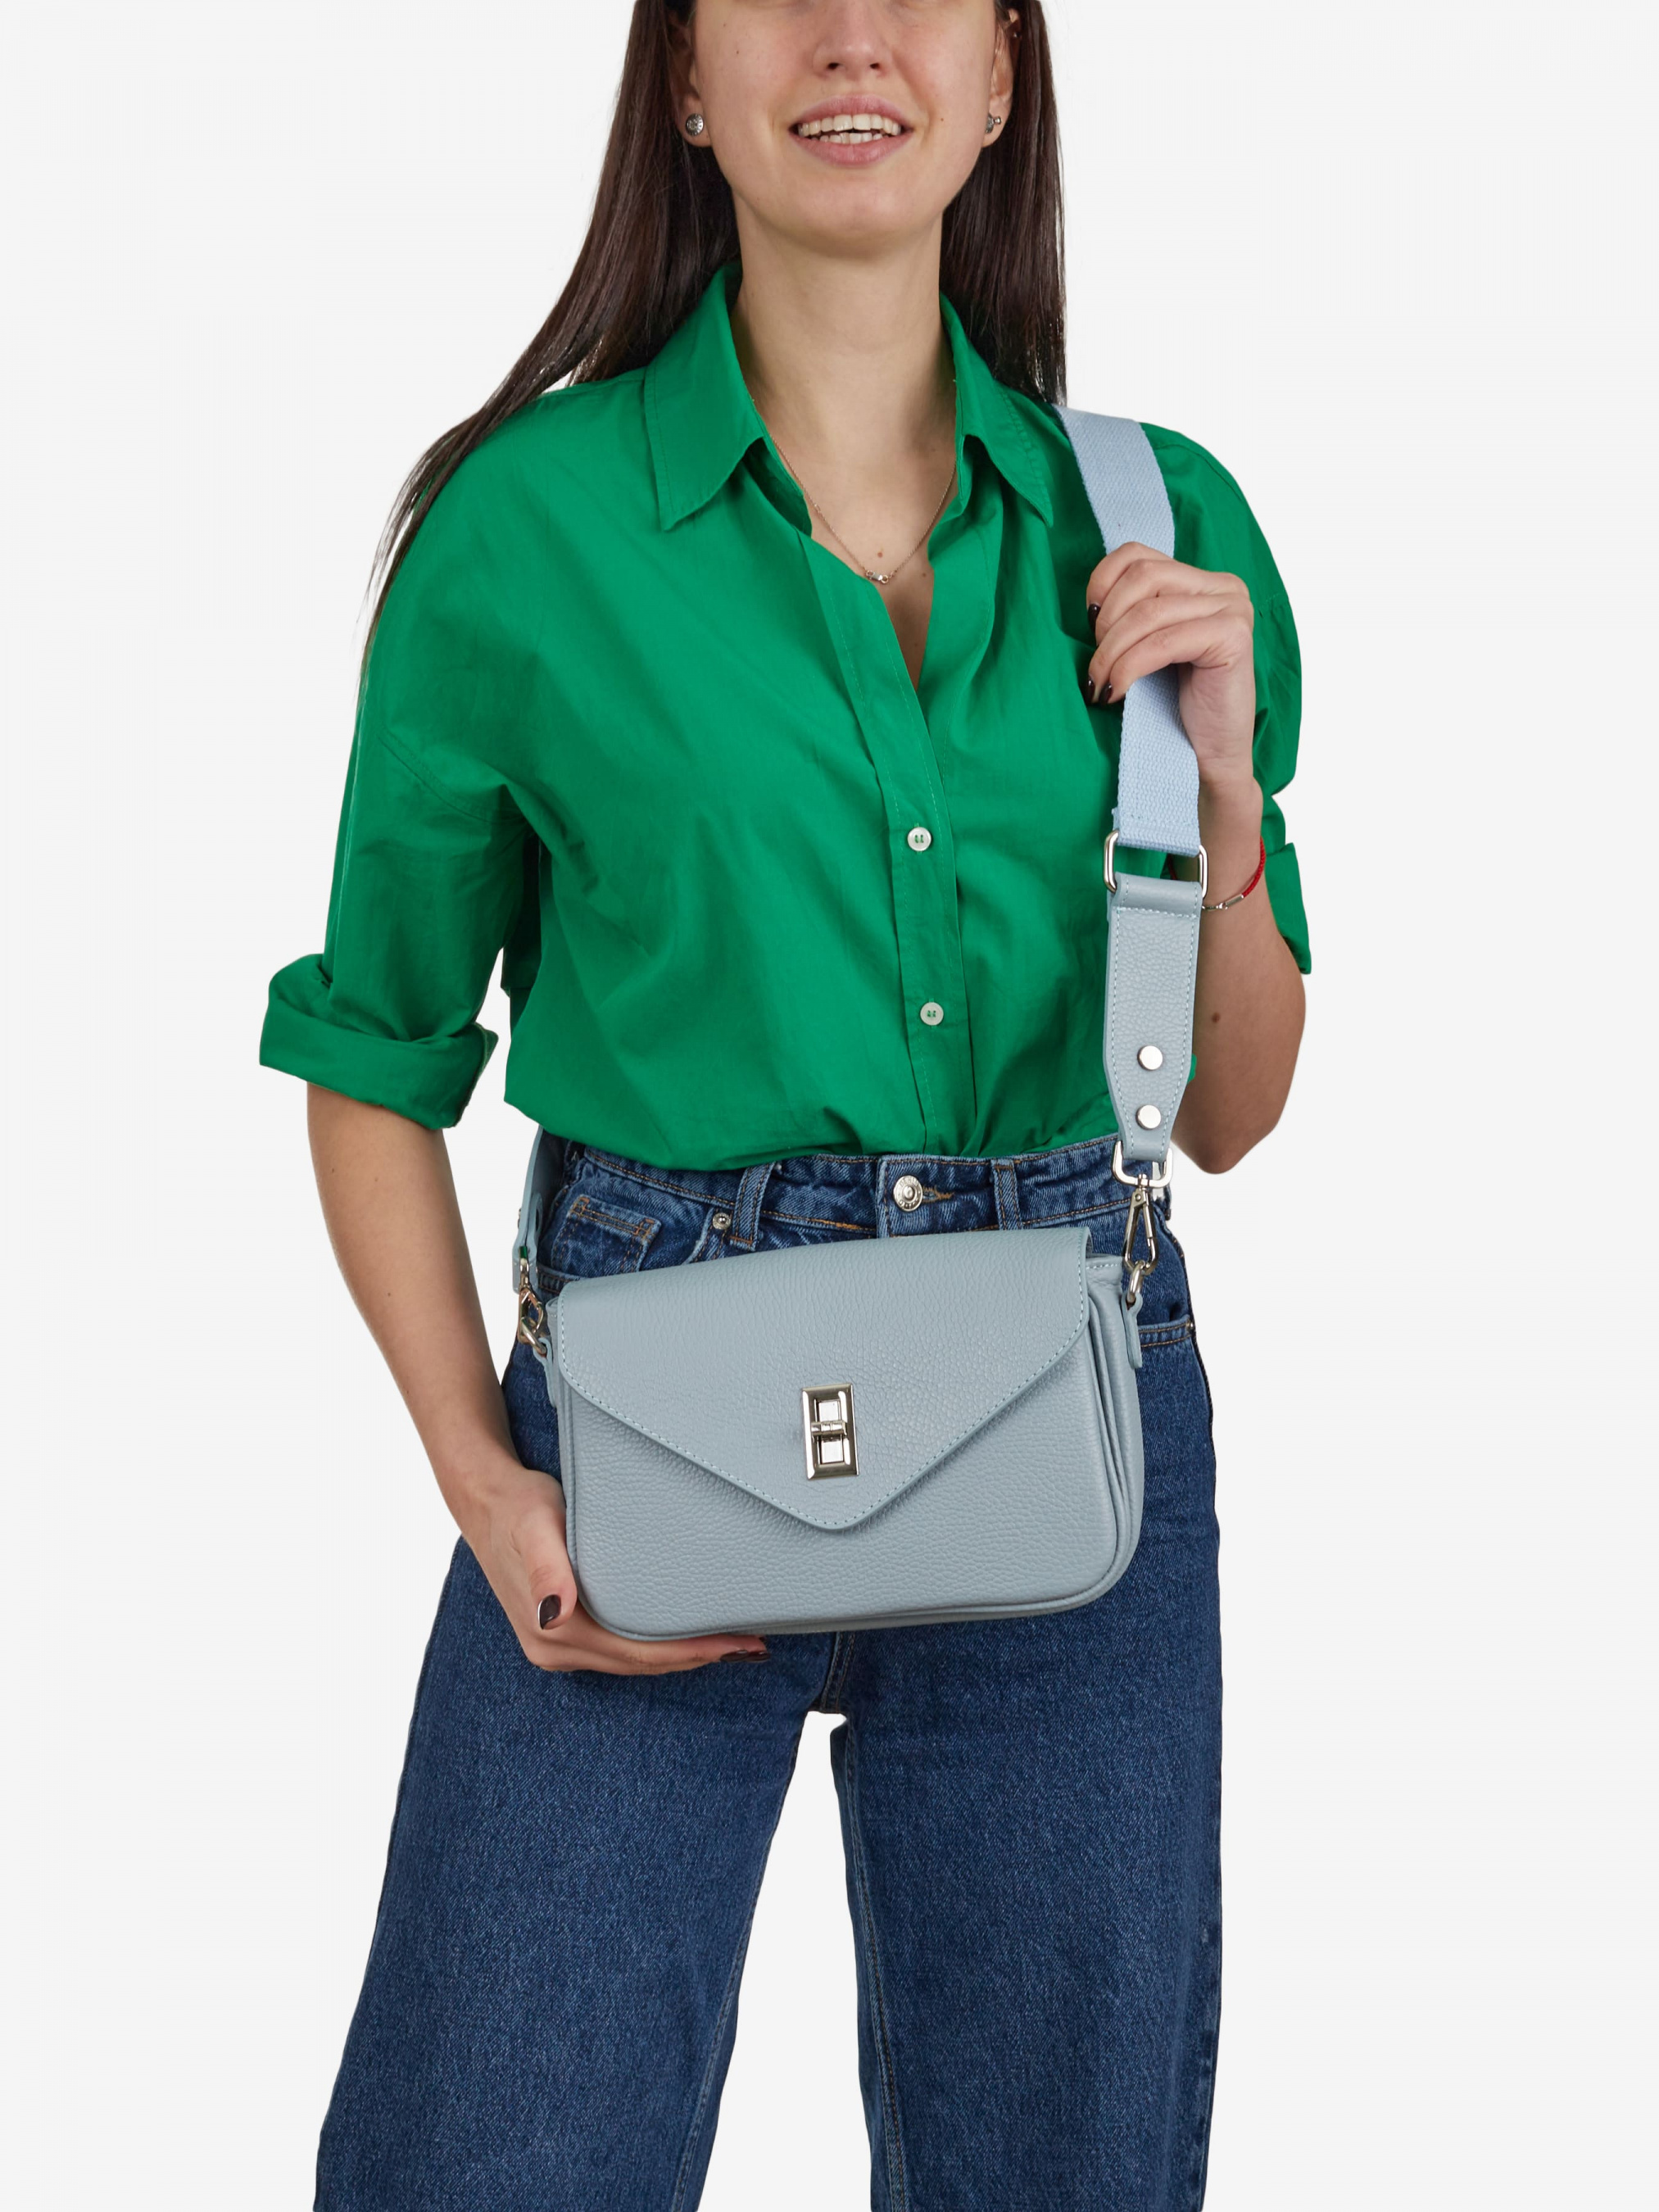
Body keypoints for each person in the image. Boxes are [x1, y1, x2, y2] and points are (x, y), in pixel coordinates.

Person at [260, 2, 1309, 2203]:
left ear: (1003, 74)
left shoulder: (1154, 521)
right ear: (683, 77)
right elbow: (374, 1059)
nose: (852, 38)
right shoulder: (521, 529)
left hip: (1068, 1410)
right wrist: (483, 1485)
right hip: (644, 1421)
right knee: (488, 2153)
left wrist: (1217, 791)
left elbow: (1225, 1112)